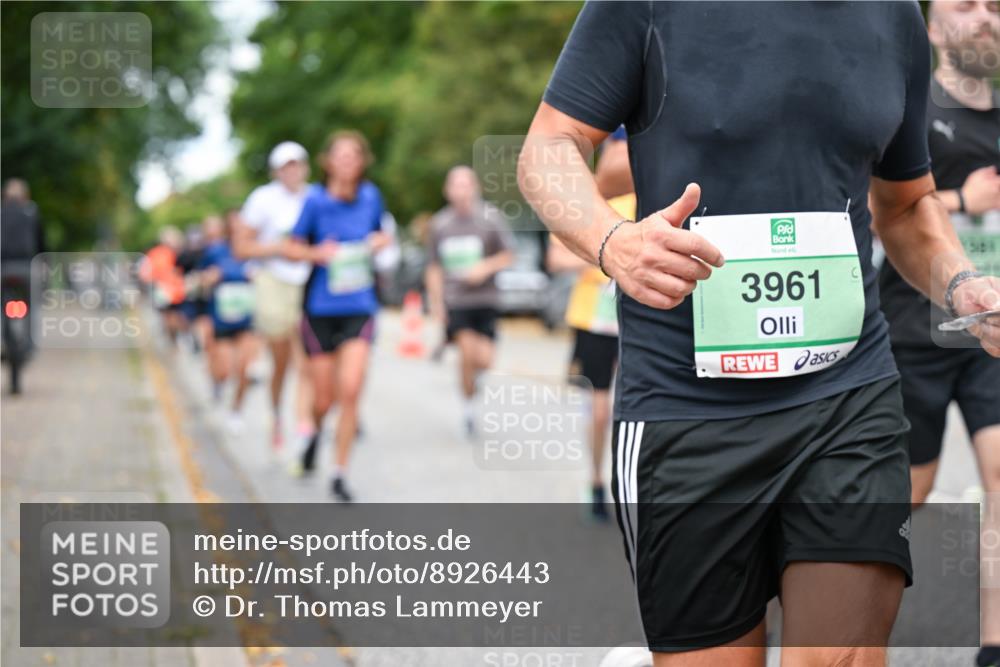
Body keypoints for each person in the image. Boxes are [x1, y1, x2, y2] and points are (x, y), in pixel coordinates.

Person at [518, 3, 1000, 665]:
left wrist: (962, 282)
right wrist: (612, 241)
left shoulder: (893, 17)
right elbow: (548, 145)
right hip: (687, 408)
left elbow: (908, 201)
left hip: (848, 395)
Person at [877, 2, 1000, 665]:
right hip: (914, 332)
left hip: (992, 337)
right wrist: (963, 203)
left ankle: (993, 646)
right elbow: (877, 214)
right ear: (931, 27)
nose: (985, 18)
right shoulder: (908, 110)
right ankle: (832, 619)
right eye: (966, 6)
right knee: (905, 494)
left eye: (995, 7)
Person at [284, 130, 390, 502]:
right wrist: (317, 254)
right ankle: (312, 435)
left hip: (359, 308)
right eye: (340, 155)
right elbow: (291, 248)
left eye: (354, 155)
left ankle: (339, 472)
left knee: (351, 390)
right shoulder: (314, 201)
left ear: (362, 162)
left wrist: (377, 242)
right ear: (328, 161)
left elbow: (382, 235)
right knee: (324, 398)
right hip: (320, 311)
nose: (347, 161)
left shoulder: (371, 197)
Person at [548, 130, 634, 520]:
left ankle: (630, 482)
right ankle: (596, 480)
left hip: (635, 318)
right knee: (600, 412)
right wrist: (606, 257)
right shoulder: (584, 201)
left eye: (625, 147)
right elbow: (556, 259)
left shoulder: (644, 196)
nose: (620, 154)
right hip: (593, 319)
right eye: (613, 147)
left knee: (632, 408)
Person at [234, 141, 314, 450]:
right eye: (285, 166)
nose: (292, 171)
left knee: (306, 358)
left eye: (297, 164)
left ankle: (304, 428)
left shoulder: (315, 198)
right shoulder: (262, 199)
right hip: (272, 281)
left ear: (305, 167)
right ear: (276, 171)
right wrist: (279, 249)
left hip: (307, 283)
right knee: (282, 362)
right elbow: (241, 247)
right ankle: (277, 412)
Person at [425, 166, 514, 437]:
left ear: (475, 188)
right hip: (457, 300)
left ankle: (473, 377)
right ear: (447, 191)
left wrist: (484, 268)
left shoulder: (490, 218)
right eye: (455, 185)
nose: (461, 191)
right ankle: (467, 408)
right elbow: (434, 267)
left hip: (486, 299)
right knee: (466, 350)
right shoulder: (440, 224)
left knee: (484, 360)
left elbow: (509, 254)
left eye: (466, 185)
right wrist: (437, 303)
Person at [200, 210, 258, 434]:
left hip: (247, 318)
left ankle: (236, 411)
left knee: (244, 369)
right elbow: (201, 280)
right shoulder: (216, 252)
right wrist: (210, 277)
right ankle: (217, 382)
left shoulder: (255, 251)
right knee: (225, 370)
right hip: (221, 318)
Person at [141, 226, 187, 346]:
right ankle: (173, 340)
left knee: (172, 317)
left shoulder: (179, 253)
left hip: (176, 291)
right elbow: (146, 272)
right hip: (165, 291)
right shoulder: (158, 253)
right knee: (169, 317)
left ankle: (175, 340)